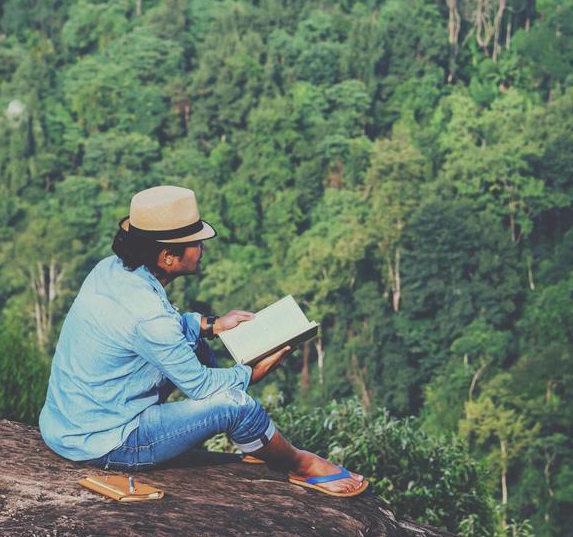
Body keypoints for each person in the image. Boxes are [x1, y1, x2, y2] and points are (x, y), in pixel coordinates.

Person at [39, 184, 367, 497]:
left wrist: (214, 325)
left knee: (194, 343)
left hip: (71, 422)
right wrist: (251, 374)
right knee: (237, 405)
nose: (202, 248)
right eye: (196, 242)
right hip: (110, 440)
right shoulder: (151, 318)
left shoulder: (110, 270)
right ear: (168, 256)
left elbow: (156, 332)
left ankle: (251, 436)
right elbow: (195, 382)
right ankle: (300, 464)